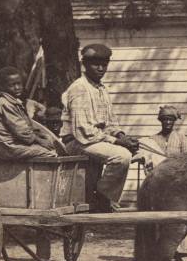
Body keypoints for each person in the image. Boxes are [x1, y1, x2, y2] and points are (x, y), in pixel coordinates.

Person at [60, 43, 140, 212]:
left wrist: (121, 135)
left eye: (104, 64)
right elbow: (83, 131)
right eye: (96, 64)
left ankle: (101, 195)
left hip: (93, 141)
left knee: (137, 151)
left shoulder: (101, 89)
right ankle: (102, 197)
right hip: (76, 143)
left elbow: (111, 121)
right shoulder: (79, 88)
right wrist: (117, 142)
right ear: (85, 65)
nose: (101, 68)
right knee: (121, 156)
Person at [142, 105, 187, 261]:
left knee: (182, 215)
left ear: (175, 122)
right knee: (160, 217)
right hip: (160, 184)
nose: (167, 122)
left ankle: (185, 252)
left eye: (170, 119)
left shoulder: (181, 138)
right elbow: (148, 160)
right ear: (160, 121)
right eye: (164, 119)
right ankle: (163, 251)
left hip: (178, 183)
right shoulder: (153, 140)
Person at [0, 67, 59, 160]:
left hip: (15, 143)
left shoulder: (14, 101)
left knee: (50, 143)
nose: (17, 87)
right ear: (3, 87)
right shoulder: (5, 103)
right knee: (48, 152)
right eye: (12, 85)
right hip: (8, 146)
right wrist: (39, 141)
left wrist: (40, 136)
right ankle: (39, 173)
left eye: (19, 84)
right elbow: (20, 129)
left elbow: (26, 125)